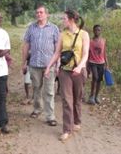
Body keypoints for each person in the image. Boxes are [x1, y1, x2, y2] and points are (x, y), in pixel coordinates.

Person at [45, 10, 90, 142]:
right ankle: (67, 129)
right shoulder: (62, 34)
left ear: (71, 19)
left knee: (77, 99)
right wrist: (49, 67)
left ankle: (77, 121)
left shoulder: (83, 34)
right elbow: (57, 53)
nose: (62, 20)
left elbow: (86, 54)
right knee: (67, 101)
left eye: (64, 18)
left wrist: (80, 66)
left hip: (79, 71)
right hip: (65, 71)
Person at [22, 5, 59, 126]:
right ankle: (37, 109)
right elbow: (26, 46)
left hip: (49, 65)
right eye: (37, 12)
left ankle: (50, 116)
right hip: (34, 64)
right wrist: (24, 63)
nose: (39, 14)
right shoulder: (31, 28)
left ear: (47, 14)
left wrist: (57, 64)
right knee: (36, 88)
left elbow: (58, 48)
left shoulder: (54, 28)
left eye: (41, 12)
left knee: (49, 91)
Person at [87, 25, 108, 105]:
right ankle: (91, 96)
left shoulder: (103, 40)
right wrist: (87, 65)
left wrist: (107, 64)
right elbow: (88, 52)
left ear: (101, 31)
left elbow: (104, 53)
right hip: (92, 62)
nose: (97, 32)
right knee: (95, 77)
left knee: (99, 80)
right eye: (95, 30)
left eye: (99, 30)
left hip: (101, 63)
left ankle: (96, 96)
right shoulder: (90, 41)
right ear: (93, 31)